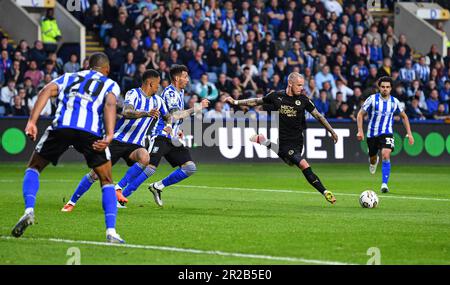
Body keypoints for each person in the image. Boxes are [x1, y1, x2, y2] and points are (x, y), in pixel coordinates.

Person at [10, 52, 124, 243]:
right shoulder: (110, 83)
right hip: (91, 132)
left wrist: (32, 121)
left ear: (88, 65)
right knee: (106, 180)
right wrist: (110, 134)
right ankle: (111, 232)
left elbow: (45, 91)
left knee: (34, 167)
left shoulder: (70, 77)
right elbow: (110, 104)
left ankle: (29, 210)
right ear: (107, 69)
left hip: (62, 126)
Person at [225, 72, 338, 204]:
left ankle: (264, 141)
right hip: (285, 141)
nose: (301, 88)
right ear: (290, 84)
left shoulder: (303, 100)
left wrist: (332, 131)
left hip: (298, 141)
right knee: (303, 164)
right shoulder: (276, 96)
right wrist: (235, 101)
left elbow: (318, 116)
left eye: (302, 85)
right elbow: (256, 101)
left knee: (290, 163)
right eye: (299, 85)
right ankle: (325, 192)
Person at [61, 69, 166, 211]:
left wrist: (191, 112)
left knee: (145, 157)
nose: (159, 87)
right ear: (150, 83)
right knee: (95, 174)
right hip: (118, 140)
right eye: (157, 84)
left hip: (135, 144)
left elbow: (170, 116)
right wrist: (146, 113)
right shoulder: (133, 94)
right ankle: (71, 202)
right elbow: (126, 112)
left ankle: (118, 188)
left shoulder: (158, 101)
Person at [119, 65, 209, 206]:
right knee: (149, 168)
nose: (187, 79)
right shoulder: (170, 93)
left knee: (189, 168)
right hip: (159, 135)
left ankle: (158, 186)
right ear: (177, 78)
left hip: (171, 137)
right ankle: (121, 197)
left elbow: (173, 118)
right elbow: (174, 114)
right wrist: (197, 107)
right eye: (185, 76)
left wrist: (176, 128)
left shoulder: (180, 92)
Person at [356, 76, 414, 193]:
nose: (385, 89)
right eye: (383, 87)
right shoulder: (372, 99)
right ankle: (373, 161)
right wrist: (360, 130)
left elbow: (404, 117)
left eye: (387, 87)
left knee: (386, 154)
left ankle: (384, 184)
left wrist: (409, 133)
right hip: (372, 134)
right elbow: (360, 114)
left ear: (391, 88)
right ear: (379, 87)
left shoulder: (394, 102)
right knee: (372, 158)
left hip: (387, 132)